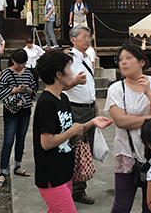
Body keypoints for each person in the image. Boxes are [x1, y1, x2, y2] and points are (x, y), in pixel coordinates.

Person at [33, 50, 112, 213]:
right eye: (69, 68)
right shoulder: (47, 102)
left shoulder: (63, 98)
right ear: (58, 74)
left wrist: (92, 122)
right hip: (51, 175)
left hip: (65, 171)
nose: (72, 71)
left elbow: (72, 130)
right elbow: (46, 143)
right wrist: (71, 131)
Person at [106, 43, 151, 213]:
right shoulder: (116, 89)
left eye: (129, 58)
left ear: (141, 62)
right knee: (122, 205)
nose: (123, 62)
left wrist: (149, 93)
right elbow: (121, 121)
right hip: (127, 152)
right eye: (121, 59)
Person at [64, 26, 98, 204]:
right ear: (73, 39)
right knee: (76, 149)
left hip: (90, 108)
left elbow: (89, 84)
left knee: (86, 149)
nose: (88, 39)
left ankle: (79, 187)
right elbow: (58, 85)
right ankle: (72, 189)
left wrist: (95, 104)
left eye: (89, 37)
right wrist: (74, 81)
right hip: (75, 109)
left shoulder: (86, 57)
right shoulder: (68, 59)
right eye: (84, 37)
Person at [0, 49, 38, 187]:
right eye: (19, 63)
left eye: (24, 63)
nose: (21, 66)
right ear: (13, 61)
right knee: (8, 141)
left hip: (25, 110)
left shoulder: (29, 73)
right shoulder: (6, 73)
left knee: (21, 138)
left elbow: (34, 91)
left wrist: (28, 90)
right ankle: (3, 171)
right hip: (11, 110)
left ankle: (18, 165)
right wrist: (15, 90)